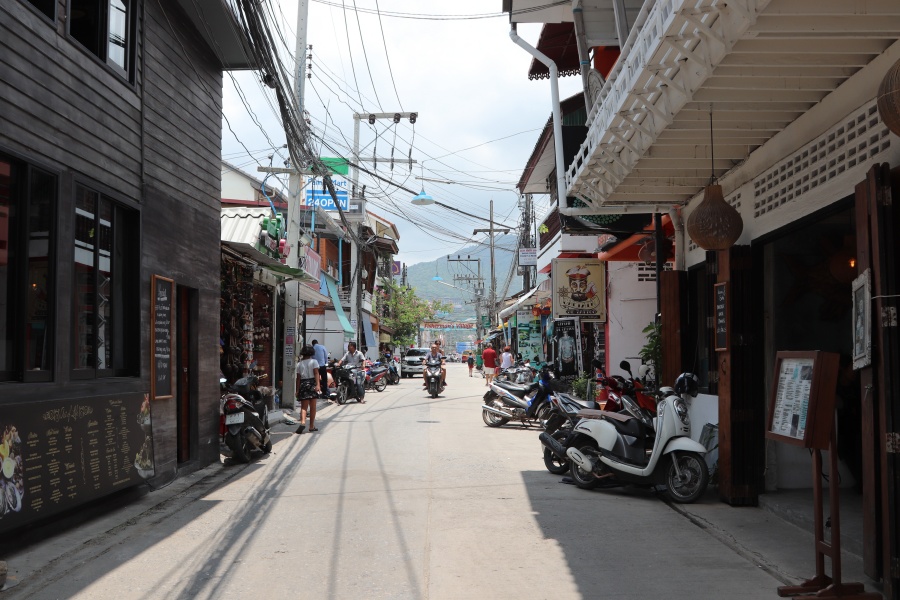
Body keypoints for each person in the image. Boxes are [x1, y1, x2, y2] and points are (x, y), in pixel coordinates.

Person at [294, 345, 320, 434]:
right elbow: (316, 373)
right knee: (313, 407)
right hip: (312, 384)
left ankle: (303, 422)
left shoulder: (299, 364)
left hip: (303, 385)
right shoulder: (314, 361)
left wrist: (297, 390)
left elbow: (298, 378)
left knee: (303, 407)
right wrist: (318, 385)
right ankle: (311, 426)